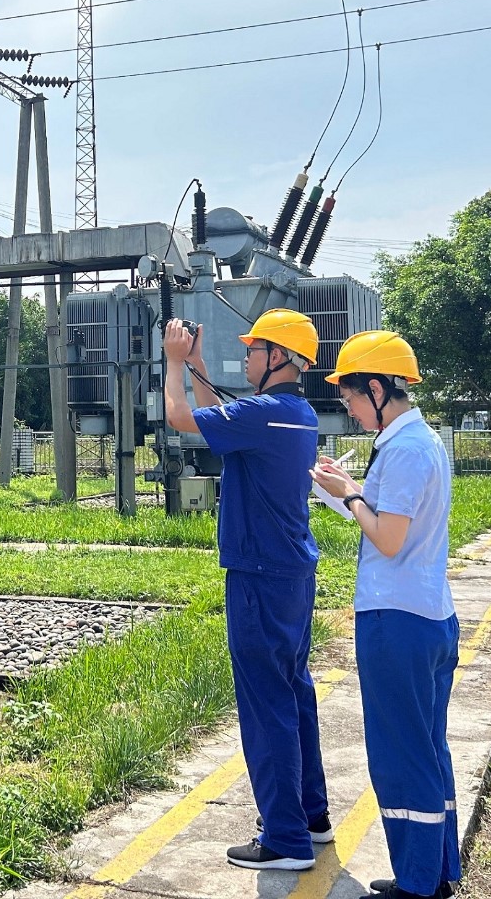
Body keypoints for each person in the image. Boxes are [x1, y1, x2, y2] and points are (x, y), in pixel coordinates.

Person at [162, 308, 332, 872]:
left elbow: (180, 418)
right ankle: (311, 817)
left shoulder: (263, 414)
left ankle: (284, 839)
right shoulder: (296, 413)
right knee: (294, 692)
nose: (248, 357)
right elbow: (220, 421)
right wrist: (200, 366)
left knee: (266, 704)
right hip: (291, 572)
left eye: (255, 349)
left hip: (259, 573)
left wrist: (173, 364)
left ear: (278, 356)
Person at [310, 331, 459, 899]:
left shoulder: (402, 451)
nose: (347, 408)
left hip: (396, 620)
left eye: (350, 396)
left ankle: (416, 884)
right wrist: (343, 488)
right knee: (427, 748)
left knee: (400, 753)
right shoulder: (421, 441)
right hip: (428, 615)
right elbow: (388, 517)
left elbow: (388, 538)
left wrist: (349, 495)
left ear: (376, 389)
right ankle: (436, 872)